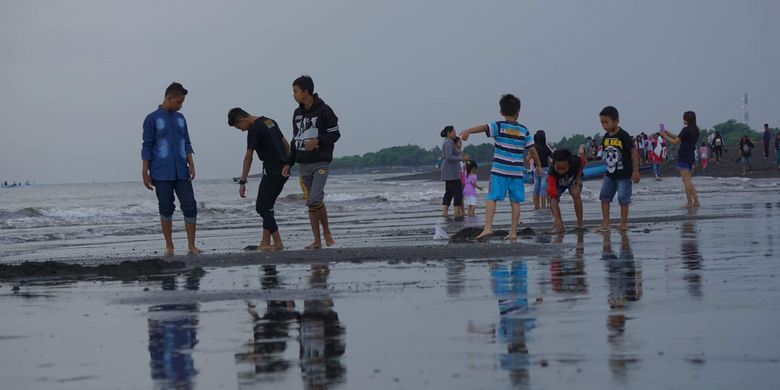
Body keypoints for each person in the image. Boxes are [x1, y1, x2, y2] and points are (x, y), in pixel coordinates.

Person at [459, 94, 543, 240]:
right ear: (518, 111)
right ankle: (513, 231)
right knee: (515, 201)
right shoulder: (524, 130)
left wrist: (467, 131)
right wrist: (539, 165)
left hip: (499, 171)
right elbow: (532, 150)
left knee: (492, 198)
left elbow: (483, 127)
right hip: (516, 173)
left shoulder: (498, 126)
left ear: (501, 112)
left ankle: (488, 228)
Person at [141, 82, 202, 255]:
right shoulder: (152, 118)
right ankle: (169, 245)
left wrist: (191, 163)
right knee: (166, 207)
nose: (180, 105)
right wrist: (145, 171)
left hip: (182, 171)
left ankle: (191, 245)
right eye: (179, 102)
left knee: (190, 206)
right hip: (161, 172)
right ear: (169, 98)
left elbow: (187, 142)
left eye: (182, 102)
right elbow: (147, 145)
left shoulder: (180, 118)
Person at [282, 75, 340, 250]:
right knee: (312, 201)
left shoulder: (325, 110)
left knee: (314, 198)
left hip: (320, 162)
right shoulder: (297, 113)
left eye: (295, 91)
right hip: (303, 164)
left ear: (306, 92)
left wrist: (318, 141)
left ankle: (327, 232)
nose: (293, 95)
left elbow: (335, 134)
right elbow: (295, 139)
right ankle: (317, 240)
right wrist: (288, 162)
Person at [228, 108, 290, 251]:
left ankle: (278, 243)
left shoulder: (254, 129)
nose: (242, 131)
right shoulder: (270, 121)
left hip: (272, 169)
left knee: (261, 207)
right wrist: (288, 164)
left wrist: (242, 181)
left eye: (239, 128)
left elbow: (248, 157)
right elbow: (285, 144)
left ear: (242, 120)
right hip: (283, 169)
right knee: (268, 206)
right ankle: (265, 242)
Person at [593, 106, 640, 232]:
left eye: (606, 122)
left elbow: (633, 151)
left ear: (616, 121)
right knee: (604, 197)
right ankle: (605, 222)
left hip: (624, 174)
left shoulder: (623, 135)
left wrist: (635, 170)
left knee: (623, 199)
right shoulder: (606, 137)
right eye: (602, 122)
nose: (604, 125)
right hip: (610, 173)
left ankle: (623, 224)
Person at [661, 111, 701, 208]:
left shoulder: (686, 129)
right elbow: (680, 137)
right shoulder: (696, 130)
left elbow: (675, 142)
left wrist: (664, 136)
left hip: (684, 155)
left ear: (687, 119)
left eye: (684, 118)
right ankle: (696, 201)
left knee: (686, 180)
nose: (683, 120)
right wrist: (668, 133)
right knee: (688, 180)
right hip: (691, 155)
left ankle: (689, 203)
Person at [546, 149, 585, 233]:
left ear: (569, 164)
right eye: (558, 168)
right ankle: (559, 225)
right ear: (554, 164)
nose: (561, 171)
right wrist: (556, 219)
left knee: (576, 193)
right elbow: (552, 195)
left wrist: (578, 178)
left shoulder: (575, 162)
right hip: (557, 183)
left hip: (571, 180)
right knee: (552, 198)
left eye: (564, 168)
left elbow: (582, 162)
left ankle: (580, 225)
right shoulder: (552, 172)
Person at [440, 126, 464, 218]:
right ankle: (456, 213)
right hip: (451, 172)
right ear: (449, 133)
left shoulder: (447, 142)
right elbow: (449, 157)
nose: (455, 133)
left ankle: (445, 212)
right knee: (458, 192)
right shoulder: (449, 142)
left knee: (449, 192)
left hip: (449, 171)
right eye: (454, 131)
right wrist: (461, 158)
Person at [532, 130, 553, 210]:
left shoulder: (534, 147)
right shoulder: (546, 147)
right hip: (545, 169)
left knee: (536, 188)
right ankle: (543, 207)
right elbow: (552, 155)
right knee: (543, 188)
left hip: (536, 168)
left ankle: (536, 206)